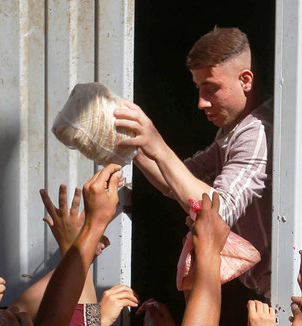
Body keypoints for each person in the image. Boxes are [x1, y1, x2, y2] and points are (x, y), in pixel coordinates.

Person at [115, 26, 273, 296]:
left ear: (246, 80)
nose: (201, 103)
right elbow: (177, 181)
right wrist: (138, 147)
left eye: (210, 89)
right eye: (199, 89)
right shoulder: (232, 128)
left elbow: (215, 212)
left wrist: (157, 146)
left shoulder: (256, 129)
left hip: (277, 289)